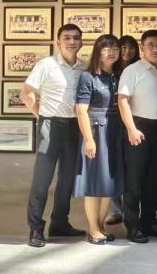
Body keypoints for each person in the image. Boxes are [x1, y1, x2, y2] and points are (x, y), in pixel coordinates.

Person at [22, 23, 86, 247]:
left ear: (81, 42)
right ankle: (35, 228)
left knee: (67, 179)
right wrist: (41, 116)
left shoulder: (84, 67)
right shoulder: (46, 65)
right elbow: (27, 93)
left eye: (76, 38)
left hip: (74, 126)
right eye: (67, 37)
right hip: (50, 125)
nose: (71, 41)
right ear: (58, 41)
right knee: (43, 179)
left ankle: (60, 222)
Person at [117, 30, 157, 244]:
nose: (156, 48)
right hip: (138, 126)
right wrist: (131, 129)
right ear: (142, 48)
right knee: (135, 180)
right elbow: (122, 100)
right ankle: (133, 226)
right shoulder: (132, 70)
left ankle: (149, 222)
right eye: (151, 44)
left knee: (154, 179)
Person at [73, 34, 123, 245]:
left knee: (109, 182)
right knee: (94, 182)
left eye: (115, 48)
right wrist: (89, 139)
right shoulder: (88, 77)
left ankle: (100, 226)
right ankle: (93, 229)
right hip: (96, 131)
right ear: (98, 52)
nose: (111, 52)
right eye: (106, 48)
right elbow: (81, 110)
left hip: (115, 132)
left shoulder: (119, 76)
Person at [104, 35, 139, 227]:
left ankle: (132, 209)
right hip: (113, 121)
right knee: (114, 164)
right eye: (123, 47)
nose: (127, 51)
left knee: (131, 166)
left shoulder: (140, 68)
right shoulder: (111, 70)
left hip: (136, 121)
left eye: (131, 47)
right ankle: (116, 209)